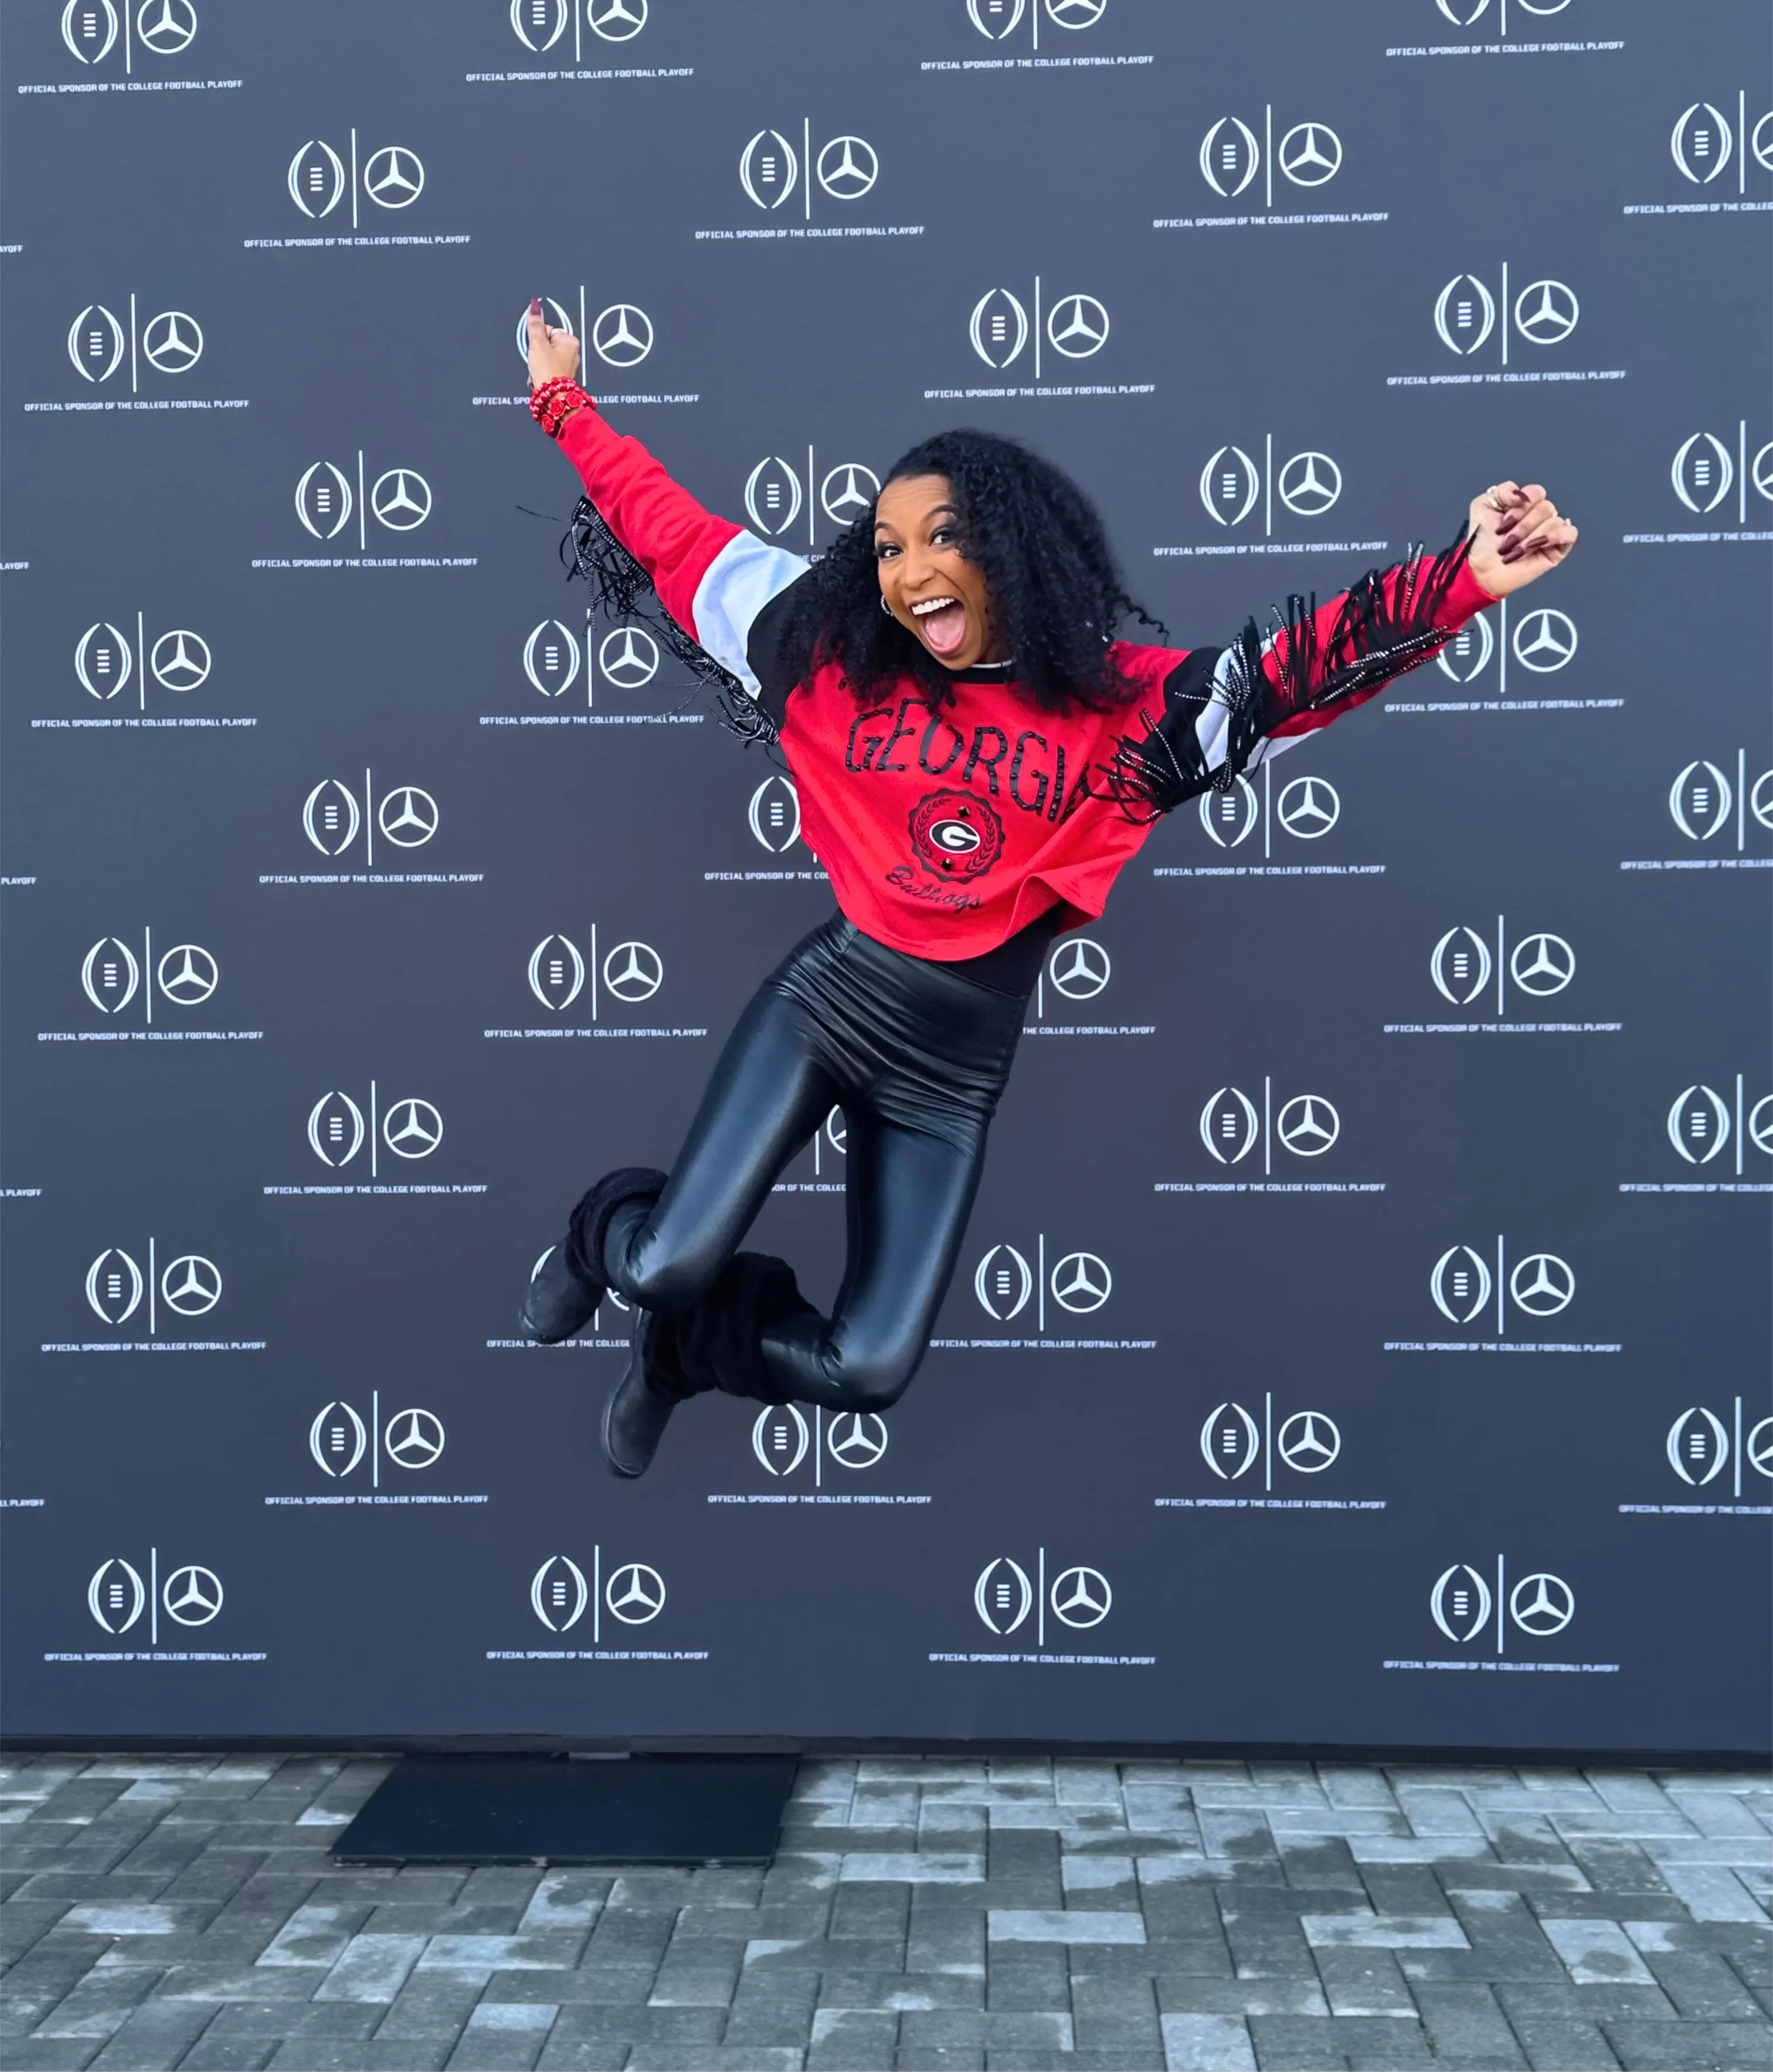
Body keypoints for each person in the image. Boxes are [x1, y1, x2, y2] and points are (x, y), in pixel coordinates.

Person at [515, 301, 1578, 1478]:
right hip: (830, 1002)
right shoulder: (823, 654)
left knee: (866, 1368)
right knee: (661, 1255)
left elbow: (1288, 675)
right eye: (887, 548)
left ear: (1011, 548)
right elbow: (671, 534)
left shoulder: (1123, 714)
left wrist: (1462, 582)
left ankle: (679, 1355)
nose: (911, 570)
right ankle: (600, 1226)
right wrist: (564, 401)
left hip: (955, 1064)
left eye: (942, 537)